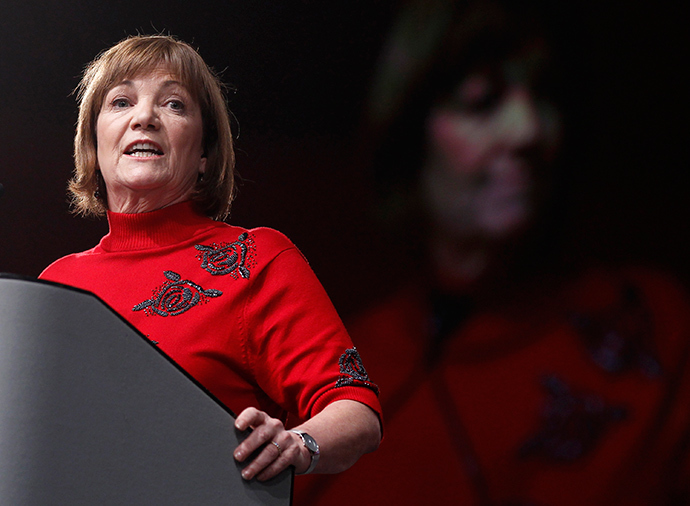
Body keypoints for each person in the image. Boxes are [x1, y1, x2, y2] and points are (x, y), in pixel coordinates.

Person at [293, 0, 690, 504]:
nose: (529, 129)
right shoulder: (333, 379)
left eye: (545, 94)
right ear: (411, 136)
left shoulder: (657, 323)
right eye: (481, 101)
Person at [39, 34, 382, 483]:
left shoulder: (255, 258)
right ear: (92, 146)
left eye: (174, 105)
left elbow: (355, 407)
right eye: (121, 101)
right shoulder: (57, 282)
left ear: (204, 154)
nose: (145, 117)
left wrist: (299, 443)